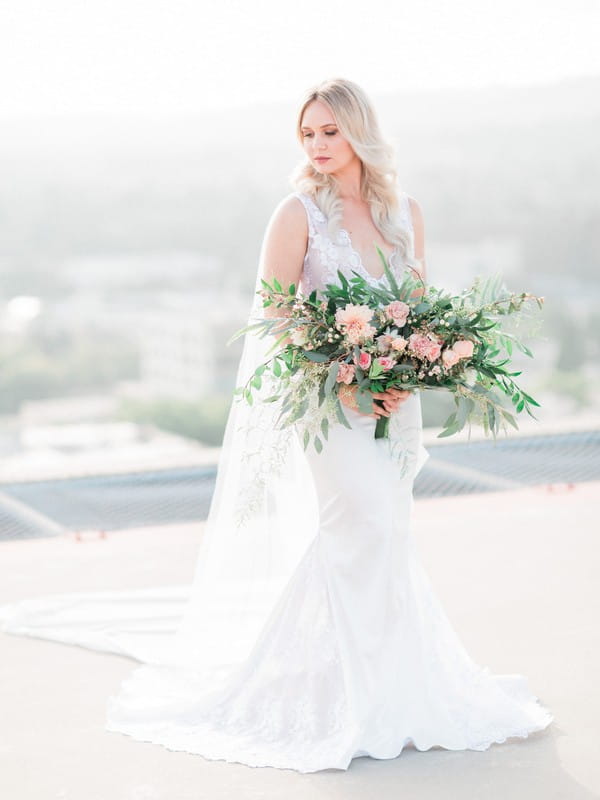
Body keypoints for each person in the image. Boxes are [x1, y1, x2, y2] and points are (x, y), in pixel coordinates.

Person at [0, 77, 553, 774]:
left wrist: (407, 373)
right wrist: (348, 381)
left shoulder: (403, 212)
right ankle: (347, 701)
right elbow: (277, 316)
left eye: (330, 131)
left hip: (396, 406)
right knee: (362, 524)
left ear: (360, 133)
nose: (318, 145)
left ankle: (392, 689)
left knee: (386, 533)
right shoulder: (296, 214)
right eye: (308, 133)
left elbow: (417, 307)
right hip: (330, 404)